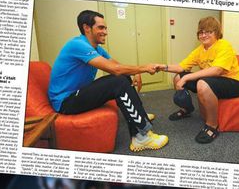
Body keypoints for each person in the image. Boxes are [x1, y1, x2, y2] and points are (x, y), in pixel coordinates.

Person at [48, 10, 168, 152]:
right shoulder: (77, 45)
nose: (105, 32)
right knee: (118, 81)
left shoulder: (97, 49)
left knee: (123, 77)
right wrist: (143, 68)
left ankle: (139, 114)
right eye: (101, 28)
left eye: (105, 28)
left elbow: (117, 66)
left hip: (77, 94)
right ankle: (142, 137)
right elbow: (115, 69)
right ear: (87, 28)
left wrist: (135, 72)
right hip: (66, 102)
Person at [155, 16, 239, 144]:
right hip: (212, 81)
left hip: (234, 83)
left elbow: (217, 70)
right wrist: (163, 67)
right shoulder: (199, 50)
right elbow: (181, 67)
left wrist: (187, 77)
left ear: (217, 33)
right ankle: (187, 109)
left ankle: (212, 126)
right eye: (201, 32)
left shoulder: (224, 45)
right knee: (177, 77)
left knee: (201, 83)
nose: (204, 35)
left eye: (208, 31)